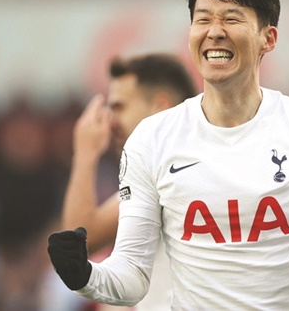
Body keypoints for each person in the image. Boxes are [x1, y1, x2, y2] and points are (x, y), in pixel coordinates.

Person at [48, 0, 289, 310]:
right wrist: (84, 276)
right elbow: (132, 274)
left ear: (267, 38)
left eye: (231, 18)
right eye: (203, 19)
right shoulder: (151, 140)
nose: (215, 31)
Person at [59, 53, 198, 310]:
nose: (110, 121)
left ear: (161, 108)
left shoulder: (169, 173)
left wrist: (86, 154)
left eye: (119, 107)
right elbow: (78, 243)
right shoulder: (158, 171)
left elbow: (79, 238)